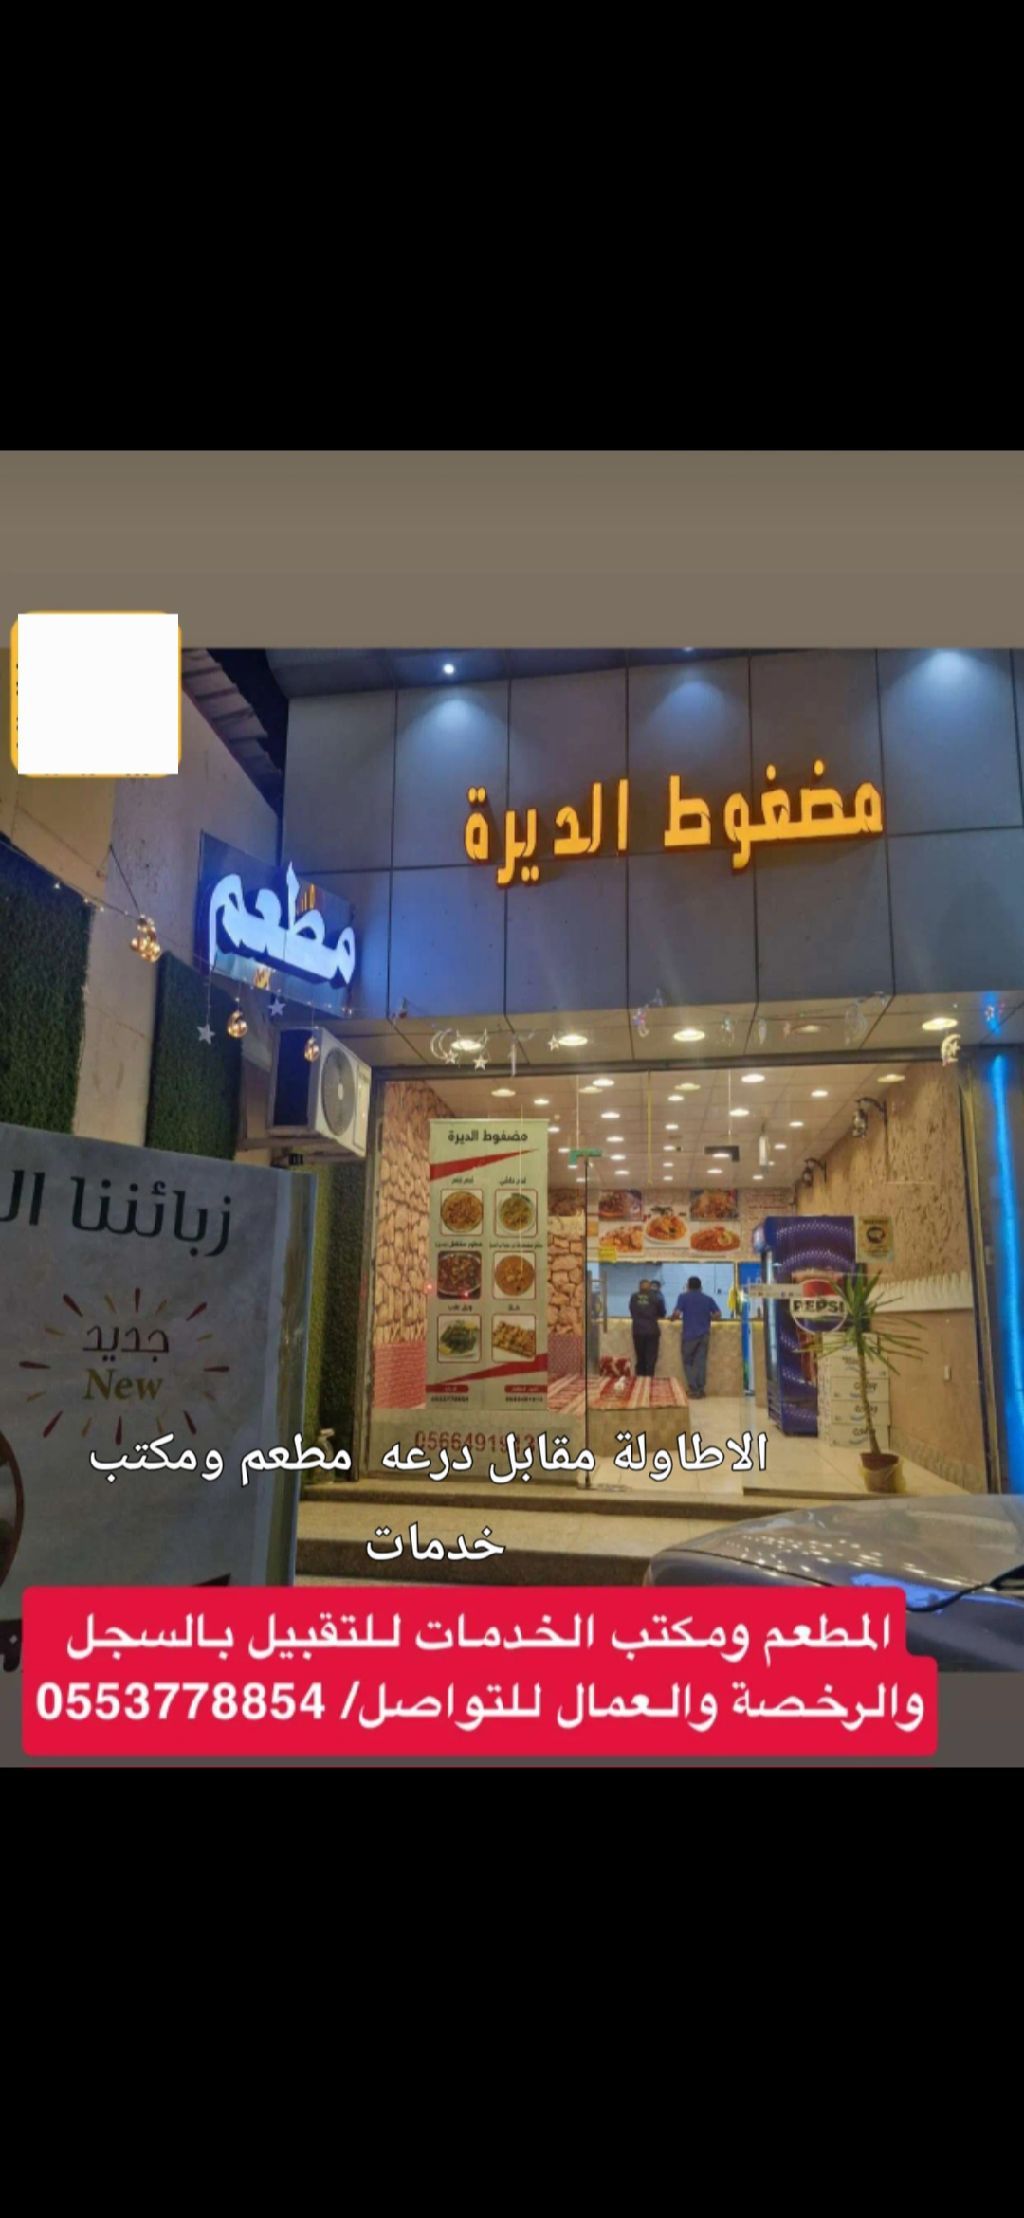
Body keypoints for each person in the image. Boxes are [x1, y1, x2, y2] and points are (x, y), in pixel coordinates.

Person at [674, 1275, 720, 1399]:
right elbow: (718, 1314)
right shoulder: (708, 1299)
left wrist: (672, 1317)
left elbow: (677, 1314)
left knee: (687, 1362)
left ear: (688, 1286)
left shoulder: (683, 1297)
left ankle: (693, 1389)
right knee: (700, 1362)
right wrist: (707, 1318)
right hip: (704, 1335)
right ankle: (700, 1389)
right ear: (700, 1287)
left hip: (689, 1335)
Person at [629, 1277, 666, 1378]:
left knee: (640, 1358)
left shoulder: (634, 1297)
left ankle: (640, 1381)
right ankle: (649, 1381)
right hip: (652, 1331)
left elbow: (632, 1311)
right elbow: (662, 1313)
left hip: (638, 1331)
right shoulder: (656, 1297)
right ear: (649, 1287)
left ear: (639, 1287)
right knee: (651, 1359)